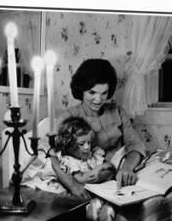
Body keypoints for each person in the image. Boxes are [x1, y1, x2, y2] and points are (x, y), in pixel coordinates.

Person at [53, 58, 146, 199]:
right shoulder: (68, 117)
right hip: (97, 179)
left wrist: (127, 168)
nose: (98, 100)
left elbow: (135, 143)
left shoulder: (118, 111)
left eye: (104, 93)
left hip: (125, 168)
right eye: (92, 92)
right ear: (81, 90)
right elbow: (52, 156)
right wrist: (73, 185)